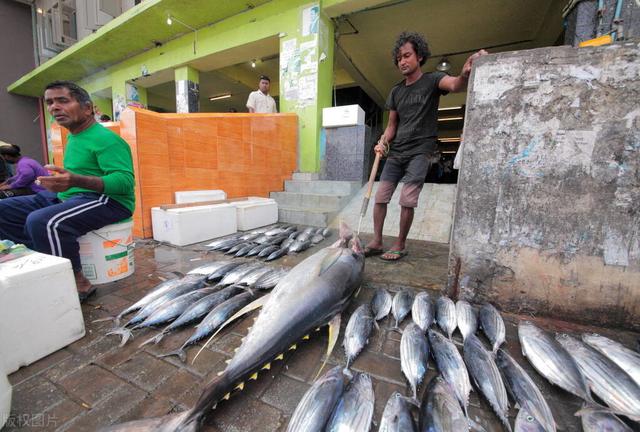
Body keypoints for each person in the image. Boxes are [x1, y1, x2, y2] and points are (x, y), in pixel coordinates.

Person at [0, 81, 135, 302]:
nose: (54, 107)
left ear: (87, 108)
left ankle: (78, 283)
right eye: (50, 102)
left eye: (63, 100)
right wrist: (60, 182)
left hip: (110, 201)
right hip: (72, 195)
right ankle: (42, 262)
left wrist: (74, 180)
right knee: (3, 210)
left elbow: (124, 181)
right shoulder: (74, 135)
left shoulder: (107, 139)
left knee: (44, 221)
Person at [364, 32, 487, 261]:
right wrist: (382, 142)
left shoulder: (432, 80)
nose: (402, 61)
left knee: (407, 200)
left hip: (420, 152)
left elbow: (456, 85)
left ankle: (400, 243)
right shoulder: (396, 91)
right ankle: (377, 241)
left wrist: (463, 73)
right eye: (399, 58)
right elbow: (391, 126)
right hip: (397, 152)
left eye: (407, 55)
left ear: (419, 56)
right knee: (380, 196)